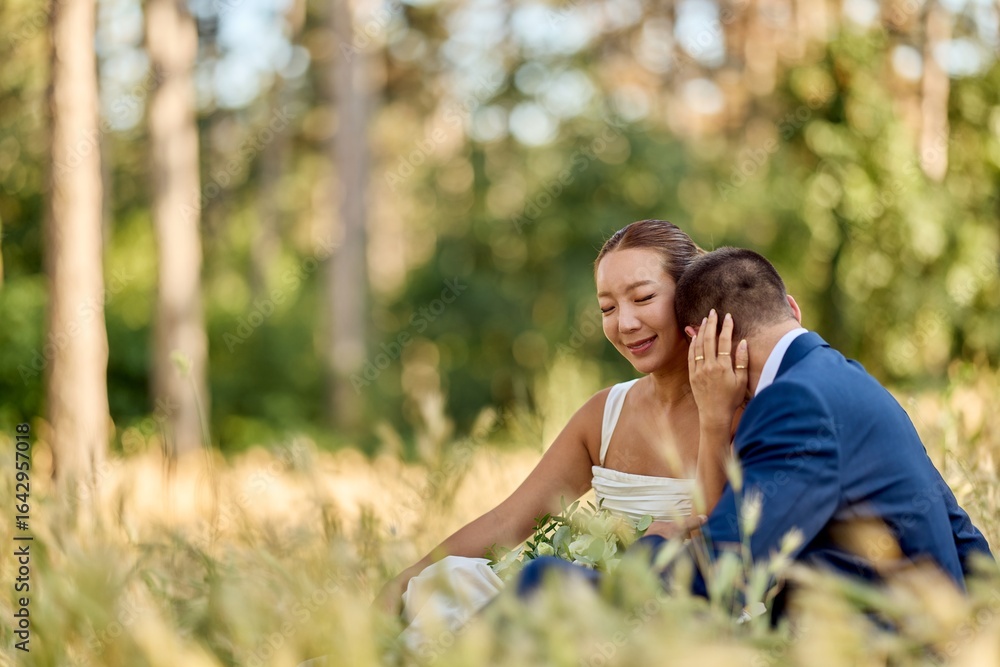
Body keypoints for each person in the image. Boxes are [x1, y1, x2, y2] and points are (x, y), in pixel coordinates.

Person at [374, 220, 742, 648]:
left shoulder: (743, 411)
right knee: (452, 583)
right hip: (580, 610)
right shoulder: (604, 414)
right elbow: (507, 520)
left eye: (643, 298)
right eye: (607, 308)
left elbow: (733, 550)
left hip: (670, 627)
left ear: (692, 295)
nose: (624, 323)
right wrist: (398, 584)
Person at [660, 247, 991, 603]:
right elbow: (963, 539)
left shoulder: (794, 403)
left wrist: (651, 545)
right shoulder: (856, 381)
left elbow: (725, 570)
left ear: (701, 343)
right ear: (792, 309)